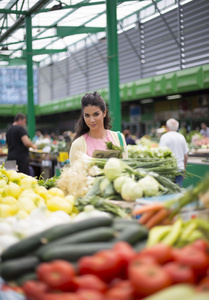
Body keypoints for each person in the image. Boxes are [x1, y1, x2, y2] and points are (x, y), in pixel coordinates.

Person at [69, 91, 128, 164]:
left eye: (96, 114)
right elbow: (74, 174)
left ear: (104, 113)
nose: (92, 120)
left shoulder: (119, 138)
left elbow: (125, 168)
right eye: (87, 115)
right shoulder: (78, 145)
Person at [159, 118, 189, 187]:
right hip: (180, 169)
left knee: (169, 194)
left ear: (167, 127)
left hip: (168, 170)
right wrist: (184, 170)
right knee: (178, 192)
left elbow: (161, 155)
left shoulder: (164, 137)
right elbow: (186, 156)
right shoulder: (182, 137)